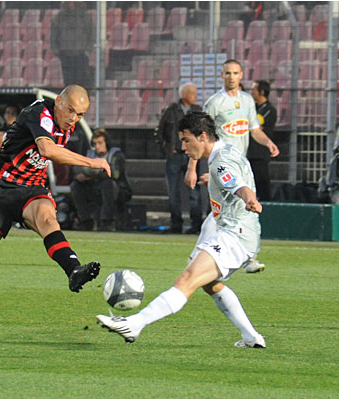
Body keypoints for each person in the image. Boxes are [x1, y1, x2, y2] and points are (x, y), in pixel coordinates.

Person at [0, 85, 110, 346]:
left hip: (31, 188)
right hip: (0, 186)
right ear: (59, 101)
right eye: (71, 110)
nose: (73, 118)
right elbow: (48, 151)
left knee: (47, 218)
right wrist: (92, 161)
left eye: (80, 115)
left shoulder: (67, 123)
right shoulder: (39, 112)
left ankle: (74, 270)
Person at [97, 111, 266, 348]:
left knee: (187, 278)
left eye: (186, 140)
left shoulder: (220, 162)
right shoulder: (225, 150)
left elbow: (238, 185)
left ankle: (135, 324)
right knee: (209, 284)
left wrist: (249, 198)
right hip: (231, 229)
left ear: (203, 136)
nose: (183, 147)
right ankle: (251, 337)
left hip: (235, 234)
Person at [186, 59, 279, 274]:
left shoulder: (247, 101)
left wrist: (268, 143)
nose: (231, 77)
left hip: (240, 165)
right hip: (221, 163)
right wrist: (193, 167)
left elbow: (254, 130)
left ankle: (242, 255)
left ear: (241, 75)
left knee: (238, 210)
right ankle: (236, 255)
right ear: (221, 75)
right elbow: (199, 136)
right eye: (227, 73)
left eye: (235, 73)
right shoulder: (215, 102)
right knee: (224, 212)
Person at [155, 82, 206, 234]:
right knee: (173, 192)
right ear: (184, 95)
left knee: (194, 192)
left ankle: (196, 225)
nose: (196, 97)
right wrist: (166, 150)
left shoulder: (198, 111)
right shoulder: (171, 110)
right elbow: (160, 131)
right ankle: (176, 224)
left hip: (192, 156)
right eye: (193, 94)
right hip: (175, 155)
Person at [70, 129, 131, 232]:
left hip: (117, 190)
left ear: (106, 142)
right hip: (94, 187)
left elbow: (115, 174)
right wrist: (79, 176)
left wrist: (93, 174)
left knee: (109, 185)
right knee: (75, 186)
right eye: (95, 144)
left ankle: (107, 221)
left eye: (100, 143)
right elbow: (77, 168)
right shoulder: (90, 154)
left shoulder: (115, 155)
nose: (97, 146)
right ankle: (85, 220)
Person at [50, 1, 94, 88]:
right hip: (65, 55)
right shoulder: (58, 18)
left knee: (81, 82)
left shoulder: (85, 17)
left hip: (81, 54)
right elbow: (53, 37)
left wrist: (88, 50)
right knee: (68, 83)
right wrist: (57, 51)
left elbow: (91, 34)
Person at [247, 80, 277, 201]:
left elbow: (253, 124)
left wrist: (253, 126)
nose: (251, 92)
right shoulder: (252, 107)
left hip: (259, 154)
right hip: (248, 153)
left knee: (262, 185)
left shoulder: (269, 109)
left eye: (254, 89)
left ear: (262, 92)